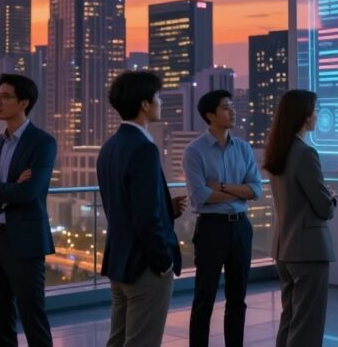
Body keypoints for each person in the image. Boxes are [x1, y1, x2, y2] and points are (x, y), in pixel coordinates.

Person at [97, 70, 187, 347]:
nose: (160, 101)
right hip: (145, 266)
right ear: (145, 104)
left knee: (119, 339)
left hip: (119, 259)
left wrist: (166, 208)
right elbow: (145, 216)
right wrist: (163, 261)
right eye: (157, 96)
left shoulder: (110, 146)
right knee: (142, 341)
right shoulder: (143, 148)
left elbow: (122, 204)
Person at [0, 73, 57, 347]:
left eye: (5, 97)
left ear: (24, 103)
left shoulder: (42, 143)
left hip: (25, 242)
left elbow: (30, 193)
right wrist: (6, 191)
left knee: (33, 317)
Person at [183, 89, 264, 347]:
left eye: (232, 107)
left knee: (237, 297)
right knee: (204, 297)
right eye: (226, 108)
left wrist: (223, 187)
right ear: (210, 115)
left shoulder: (242, 148)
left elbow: (257, 190)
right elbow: (200, 195)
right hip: (211, 229)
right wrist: (239, 192)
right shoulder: (195, 151)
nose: (233, 111)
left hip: (241, 227)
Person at [263, 89, 337, 347]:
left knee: (291, 317)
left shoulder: (278, 151)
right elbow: (323, 207)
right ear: (304, 116)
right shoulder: (305, 153)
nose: (317, 116)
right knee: (308, 323)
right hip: (308, 249)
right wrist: (332, 198)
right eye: (315, 110)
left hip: (285, 246)